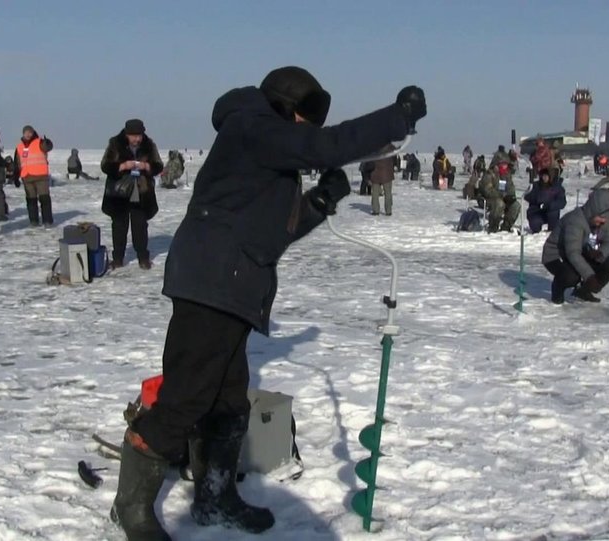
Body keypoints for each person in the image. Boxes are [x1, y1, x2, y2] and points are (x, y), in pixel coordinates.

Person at [109, 66, 425, 541]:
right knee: (186, 396)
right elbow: (325, 147)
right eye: (304, 118)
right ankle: (130, 507)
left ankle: (215, 498)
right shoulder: (250, 126)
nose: (305, 131)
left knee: (229, 398)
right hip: (209, 283)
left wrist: (319, 201)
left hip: (236, 287)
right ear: (284, 104)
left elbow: (278, 233)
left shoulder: (268, 155)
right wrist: (395, 119)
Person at [100, 119, 164, 270]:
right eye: (134, 136)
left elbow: (158, 165)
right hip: (119, 191)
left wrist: (147, 166)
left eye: (139, 135)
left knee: (140, 225)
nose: (137, 139)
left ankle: (143, 258)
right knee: (119, 226)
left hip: (140, 191)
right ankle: (118, 259)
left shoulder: (149, 145)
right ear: (127, 135)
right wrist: (122, 166)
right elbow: (105, 165)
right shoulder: (115, 144)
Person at [541, 189, 609, 304]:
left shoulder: (604, 220)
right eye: (600, 218)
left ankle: (583, 291)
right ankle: (557, 290)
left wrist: (600, 254)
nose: (602, 222)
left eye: (605, 220)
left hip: (583, 252)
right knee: (572, 277)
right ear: (593, 211)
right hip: (557, 256)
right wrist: (589, 276)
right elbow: (572, 253)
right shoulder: (575, 221)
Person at [15, 125, 54, 227]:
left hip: (40, 176)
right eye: (26, 132)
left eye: (30, 132)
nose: (28, 134)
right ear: (23, 134)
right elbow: (17, 162)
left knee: (44, 199)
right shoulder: (19, 146)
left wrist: (47, 142)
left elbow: (48, 147)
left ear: (33, 133)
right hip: (27, 177)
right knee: (31, 201)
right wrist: (16, 176)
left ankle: (47, 221)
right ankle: (33, 220)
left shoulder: (39, 142)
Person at [479, 161, 521, 233]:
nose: (505, 166)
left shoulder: (507, 175)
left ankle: (506, 227)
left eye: (506, 164)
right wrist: (501, 195)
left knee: (516, 205)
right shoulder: (489, 174)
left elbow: (511, 188)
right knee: (499, 204)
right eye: (503, 164)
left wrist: (510, 196)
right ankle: (493, 227)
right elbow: (487, 191)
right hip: (489, 199)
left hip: (504, 199)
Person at [524, 168, 566, 233]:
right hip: (536, 211)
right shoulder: (535, 185)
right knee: (535, 225)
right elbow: (527, 195)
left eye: (546, 176)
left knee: (553, 212)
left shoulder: (557, 187)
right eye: (543, 176)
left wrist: (550, 205)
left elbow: (562, 202)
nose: (545, 178)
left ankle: (551, 231)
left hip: (551, 212)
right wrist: (538, 200)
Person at [370, 144, 394, 216]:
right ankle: (388, 211)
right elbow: (395, 155)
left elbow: (369, 160)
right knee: (388, 193)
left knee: (375, 194)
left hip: (375, 174)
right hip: (387, 174)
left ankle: (376, 210)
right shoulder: (390, 146)